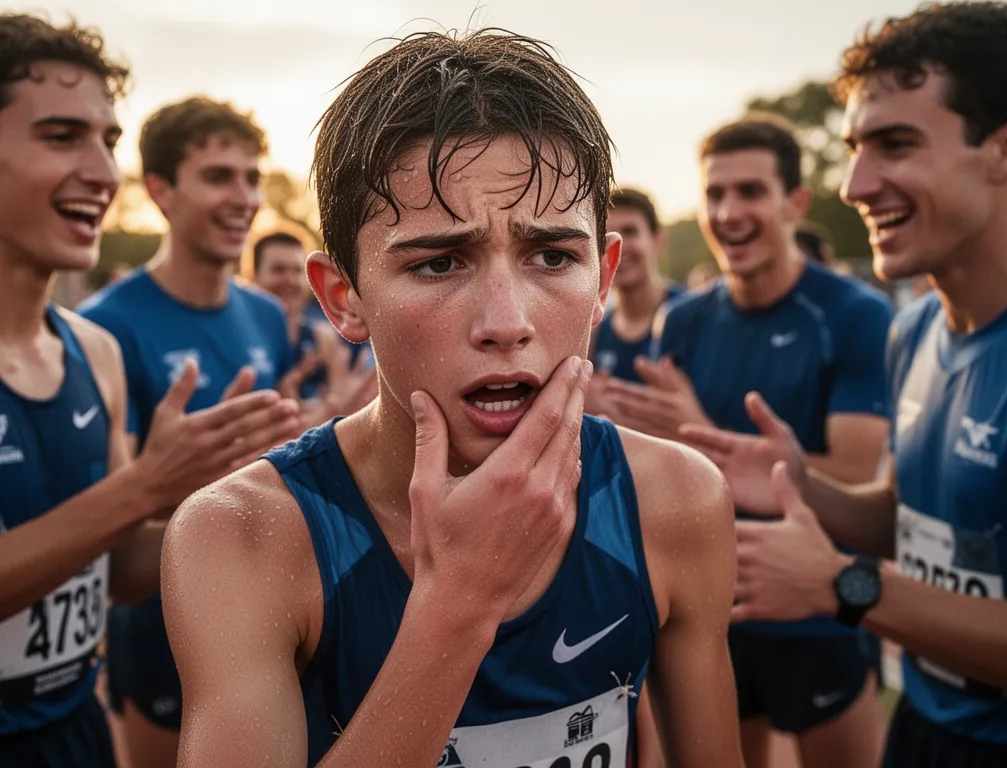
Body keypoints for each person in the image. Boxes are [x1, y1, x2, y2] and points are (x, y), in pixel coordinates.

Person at [162, 29, 745, 767]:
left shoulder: (675, 499)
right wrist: (460, 605)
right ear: (344, 298)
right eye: (440, 262)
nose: (508, 324)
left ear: (604, 280)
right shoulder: (242, 538)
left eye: (553, 255)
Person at [680, 3, 1007, 766]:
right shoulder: (915, 330)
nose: (857, 184)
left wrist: (846, 587)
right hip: (926, 728)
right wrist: (796, 482)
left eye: (896, 145)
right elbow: (907, 516)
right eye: (855, 148)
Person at [0, 14, 299, 768]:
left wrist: (269, 501)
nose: (104, 173)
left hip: (73, 734)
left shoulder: (89, 351)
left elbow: (122, 574)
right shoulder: (120, 323)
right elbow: (128, 503)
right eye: (63, 136)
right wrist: (147, 486)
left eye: (107, 140)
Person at [605, 115, 894, 768]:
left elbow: (851, 471)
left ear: (795, 201)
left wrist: (696, 428)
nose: (729, 213)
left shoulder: (853, 314)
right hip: (710, 607)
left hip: (817, 610)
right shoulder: (681, 321)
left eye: (750, 192)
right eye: (714, 195)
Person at [78, 97, 305, 768]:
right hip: (158, 620)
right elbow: (111, 544)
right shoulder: (105, 328)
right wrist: (189, 486)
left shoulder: (266, 316)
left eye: (251, 176)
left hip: (270, 609)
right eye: (217, 176)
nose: (243, 197)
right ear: (160, 191)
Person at [587, 189, 683, 422]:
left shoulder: (691, 316)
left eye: (630, 232)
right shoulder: (596, 331)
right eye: (606, 236)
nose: (620, 246)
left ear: (657, 239)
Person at [251, 231, 376, 408]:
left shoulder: (323, 339)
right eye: (278, 270)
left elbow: (338, 407)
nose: (290, 280)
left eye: (296, 271)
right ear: (253, 277)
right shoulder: (243, 338)